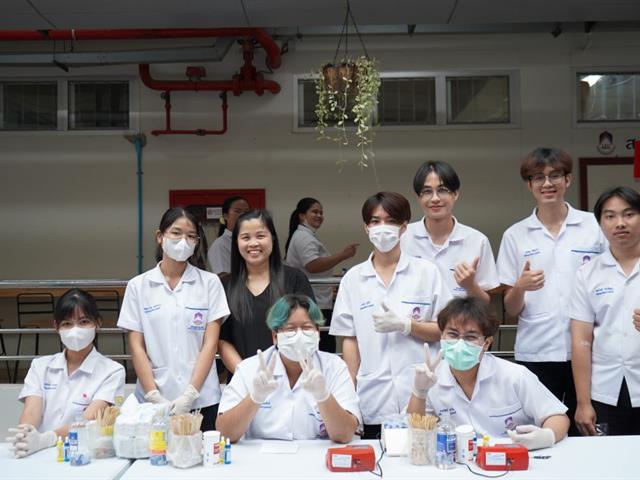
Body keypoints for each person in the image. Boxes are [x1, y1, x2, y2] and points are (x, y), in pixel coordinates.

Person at [496, 147, 605, 433]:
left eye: (555, 175)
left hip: (591, 349)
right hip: (537, 352)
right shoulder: (515, 235)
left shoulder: (593, 227)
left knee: (589, 428)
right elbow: (511, 308)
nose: (547, 183)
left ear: (568, 180)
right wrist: (520, 286)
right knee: (542, 431)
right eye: (538, 177)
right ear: (529, 185)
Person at [330, 191, 452, 439]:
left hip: (423, 393)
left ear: (404, 227)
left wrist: (407, 326)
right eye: (375, 221)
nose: (382, 228)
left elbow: (447, 329)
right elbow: (349, 339)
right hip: (373, 394)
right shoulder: (353, 279)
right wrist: (349, 389)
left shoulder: (426, 273)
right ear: (366, 228)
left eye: (391, 221)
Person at [117, 207, 229, 431]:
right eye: (176, 233)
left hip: (201, 399)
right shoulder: (138, 286)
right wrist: (153, 395)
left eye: (190, 236)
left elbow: (210, 344)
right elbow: (137, 346)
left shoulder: (210, 283)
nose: (183, 241)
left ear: (197, 242)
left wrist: (190, 394)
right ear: (160, 237)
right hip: (152, 400)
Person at [407, 297, 569, 450]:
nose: (460, 344)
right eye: (453, 334)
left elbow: (558, 417)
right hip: (457, 464)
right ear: (442, 336)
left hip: (510, 461)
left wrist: (546, 436)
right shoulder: (430, 378)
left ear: (486, 343)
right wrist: (419, 392)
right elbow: (416, 430)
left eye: (470, 337)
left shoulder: (514, 376)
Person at [216, 294, 360, 442]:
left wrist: (323, 396)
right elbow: (224, 433)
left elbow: (345, 434)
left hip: (316, 459)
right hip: (261, 460)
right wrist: (254, 398)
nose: (299, 336)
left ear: (318, 333)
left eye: (306, 328)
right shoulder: (249, 368)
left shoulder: (334, 367)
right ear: (275, 336)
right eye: (290, 329)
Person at [7, 289, 125, 458]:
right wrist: (26, 434)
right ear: (56, 326)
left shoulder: (112, 371)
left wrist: (47, 438)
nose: (75, 330)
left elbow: (87, 420)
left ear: (98, 323)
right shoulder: (40, 366)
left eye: (84, 322)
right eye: (67, 324)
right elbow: (32, 410)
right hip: (38, 453)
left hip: (80, 454)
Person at [571, 186, 640, 436]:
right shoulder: (587, 273)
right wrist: (583, 402)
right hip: (605, 390)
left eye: (629, 214)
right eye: (610, 216)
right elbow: (581, 341)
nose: (620, 223)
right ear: (600, 223)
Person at [218, 210, 315, 374]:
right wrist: (246, 376)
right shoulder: (225, 286)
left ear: (273, 238)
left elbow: (307, 330)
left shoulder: (295, 279)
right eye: (246, 237)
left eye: (260, 236)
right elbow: (222, 340)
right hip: (243, 384)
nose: (253, 243)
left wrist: (282, 376)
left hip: (290, 381)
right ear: (236, 243)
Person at [401, 161, 499, 303]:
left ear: (455, 194)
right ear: (418, 198)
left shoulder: (477, 241)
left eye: (442, 190)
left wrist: (470, 285)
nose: (435, 198)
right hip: (414, 324)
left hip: (459, 324)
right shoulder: (403, 237)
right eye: (427, 191)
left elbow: (484, 305)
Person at [285, 197, 359, 352]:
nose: (319, 215)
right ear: (302, 215)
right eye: (314, 212)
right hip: (313, 302)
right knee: (322, 347)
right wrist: (343, 255)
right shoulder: (303, 237)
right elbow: (313, 265)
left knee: (325, 346)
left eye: (321, 212)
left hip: (318, 300)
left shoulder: (307, 235)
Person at [207, 196, 250, 275]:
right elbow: (224, 278)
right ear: (225, 216)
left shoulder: (252, 241)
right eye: (237, 211)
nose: (243, 215)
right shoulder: (220, 245)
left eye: (247, 212)